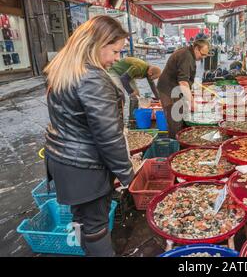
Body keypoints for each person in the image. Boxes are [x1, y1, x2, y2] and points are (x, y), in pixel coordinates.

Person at [43, 15, 134, 256]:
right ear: (97, 43)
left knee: (80, 220)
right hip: (85, 166)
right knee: (95, 227)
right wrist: (127, 174)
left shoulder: (64, 68)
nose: (117, 59)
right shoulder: (92, 77)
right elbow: (108, 136)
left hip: (62, 161)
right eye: (115, 51)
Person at [157, 39, 210, 138]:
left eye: (205, 55)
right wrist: (192, 102)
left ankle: (181, 138)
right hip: (169, 90)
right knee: (175, 120)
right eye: (202, 54)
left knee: (183, 114)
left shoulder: (189, 53)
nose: (203, 58)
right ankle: (175, 145)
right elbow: (183, 82)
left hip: (176, 89)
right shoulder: (186, 56)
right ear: (196, 49)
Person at [108, 57, 161, 123]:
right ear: (150, 73)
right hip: (116, 72)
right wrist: (131, 91)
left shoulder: (149, 71)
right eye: (151, 77)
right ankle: (118, 121)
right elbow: (123, 79)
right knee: (120, 95)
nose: (150, 78)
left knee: (135, 97)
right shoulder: (139, 67)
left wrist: (159, 99)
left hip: (127, 75)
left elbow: (153, 86)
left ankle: (132, 119)